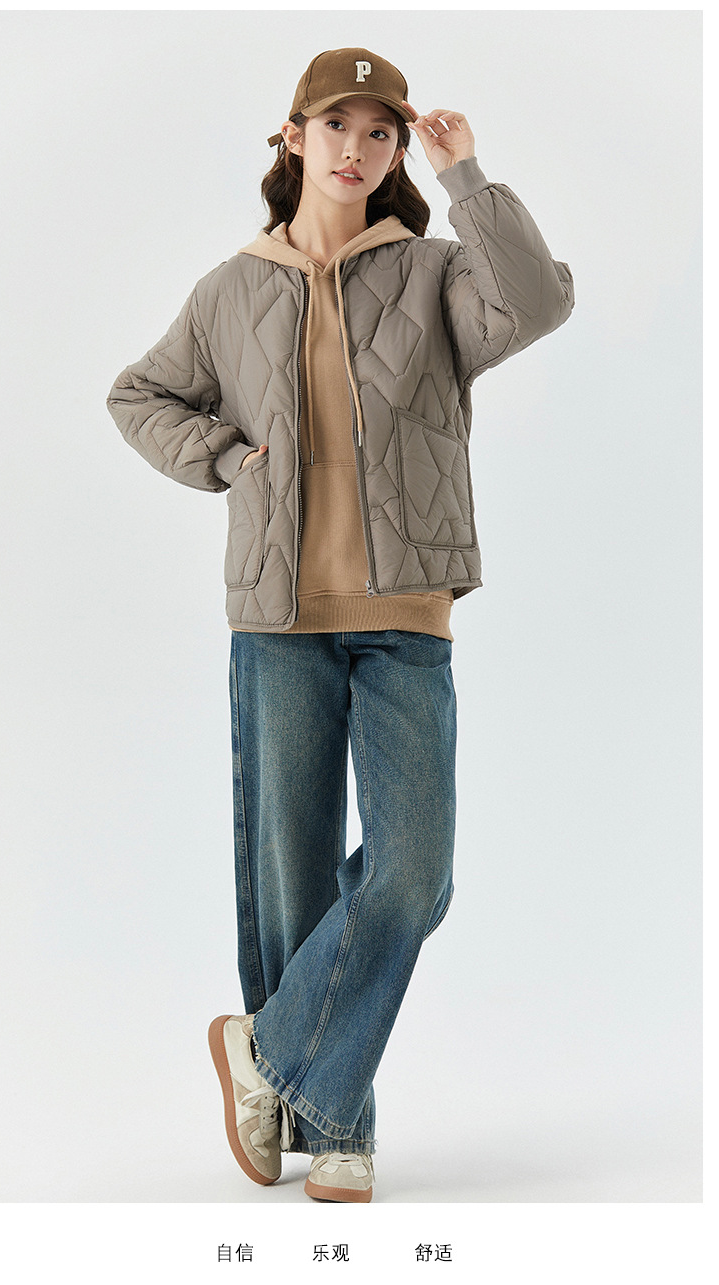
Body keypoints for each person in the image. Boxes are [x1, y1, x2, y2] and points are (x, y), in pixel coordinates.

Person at [106, 46, 574, 1203]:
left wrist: (469, 178)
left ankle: (263, 1052)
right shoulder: (229, 289)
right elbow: (137, 394)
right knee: (292, 879)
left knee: (413, 873)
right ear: (293, 137)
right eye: (336, 127)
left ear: (397, 150)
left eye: (380, 134)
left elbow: (539, 301)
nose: (356, 150)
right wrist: (224, 456)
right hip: (278, 620)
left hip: (407, 615)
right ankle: (338, 1125)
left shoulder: (435, 272)